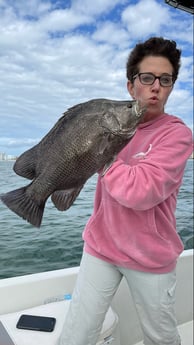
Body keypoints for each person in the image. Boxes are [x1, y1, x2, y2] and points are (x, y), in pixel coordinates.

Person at [59, 37, 193, 345]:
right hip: (100, 247)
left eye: (165, 79)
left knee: (160, 338)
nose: (155, 87)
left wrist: (99, 156)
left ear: (172, 87)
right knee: (77, 334)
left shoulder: (177, 135)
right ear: (131, 86)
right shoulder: (108, 125)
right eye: (147, 78)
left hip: (150, 256)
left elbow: (140, 191)